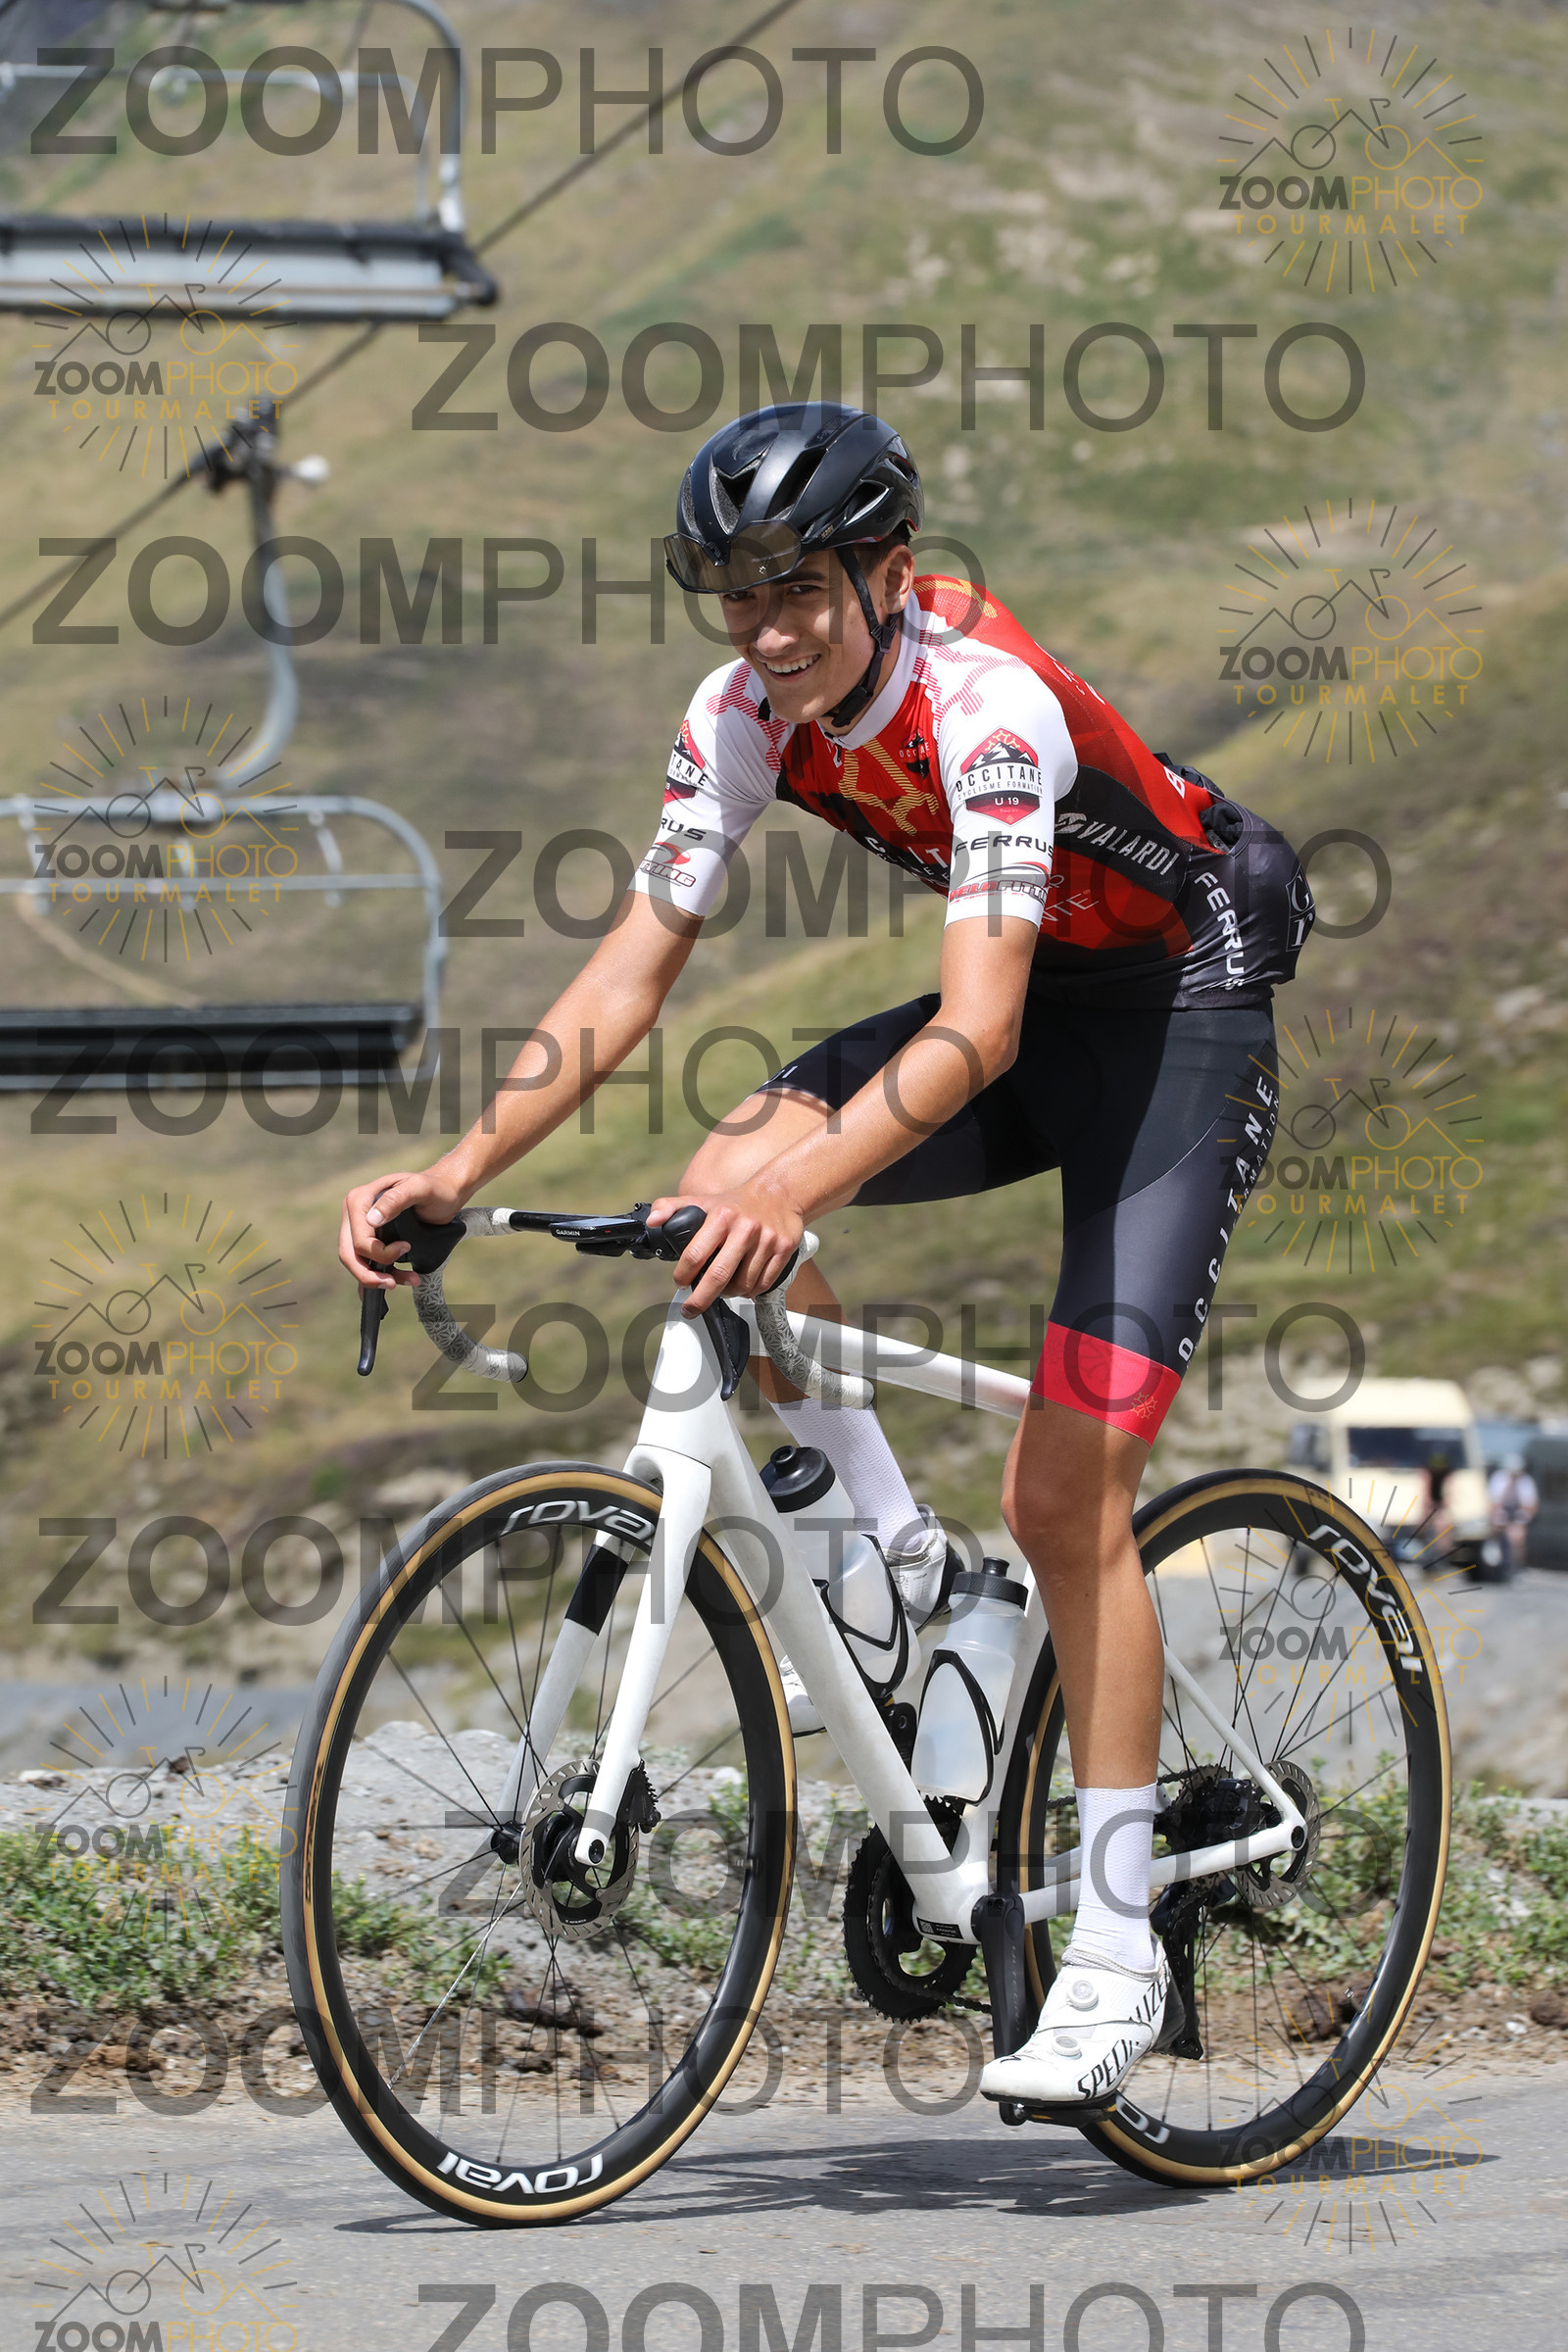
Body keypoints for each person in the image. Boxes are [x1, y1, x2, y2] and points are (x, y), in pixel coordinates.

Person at [339, 403, 1313, 2108]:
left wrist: (804, 1189)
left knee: (1064, 1489)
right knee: (724, 1177)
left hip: (1183, 1010)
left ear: (888, 572)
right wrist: (461, 1165)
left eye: (798, 588)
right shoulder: (739, 716)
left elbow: (979, 1031)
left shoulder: (986, 707)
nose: (768, 630)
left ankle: (1112, 1950)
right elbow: (634, 965)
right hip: (1041, 1004)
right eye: (737, 594)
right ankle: (904, 1565)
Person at [1489, 1453, 1539, 1571]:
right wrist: (1494, 1517)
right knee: (1495, 1535)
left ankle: (1516, 1565)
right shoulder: (1498, 1478)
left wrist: (1523, 1516)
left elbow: (1532, 1505)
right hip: (1501, 1513)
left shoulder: (1526, 1481)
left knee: (1517, 1537)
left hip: (1517, 1515)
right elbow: (1491, 1501)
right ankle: (1496, 1563)